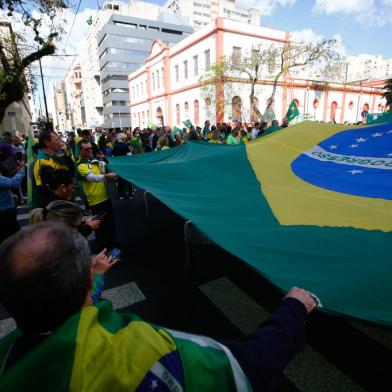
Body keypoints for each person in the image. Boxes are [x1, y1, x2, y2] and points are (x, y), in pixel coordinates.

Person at [0, 223, 317, 391]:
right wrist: (293, 309)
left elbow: (70, 315)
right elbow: (242, 368)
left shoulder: (8, 358)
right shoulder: (137, 355)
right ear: (83, 283)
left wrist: (92, 280)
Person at [77, 140, 117, 250]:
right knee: (101, 227)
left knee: (110, 224)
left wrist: (104, 165)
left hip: (106, 197)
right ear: (80, 151)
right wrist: (106, 176)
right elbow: (91, 177)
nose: (90, 150)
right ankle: (104, 249)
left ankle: (112, 246)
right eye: (87, 149)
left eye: (91, 148)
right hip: (95, 201)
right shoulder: (81, 165)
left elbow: (105, 171)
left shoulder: (95, 161)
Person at [32, 130, 74, 208]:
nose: (60, 142)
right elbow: (42, 188)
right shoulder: (41, 160)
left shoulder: (56, 156)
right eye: (57, 139)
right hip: (55, 205)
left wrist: (66, 153)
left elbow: (72, 171)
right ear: (47, 142)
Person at [0, 144, 25, 244]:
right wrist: (22, 170)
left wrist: (10, 194)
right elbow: (13, 183)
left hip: (5, 207)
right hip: (4, 211)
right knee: (11, 238)